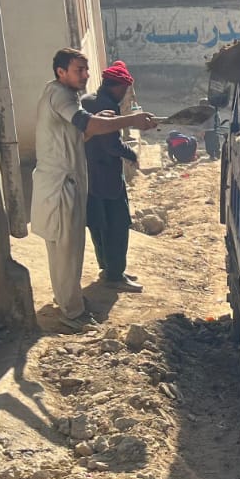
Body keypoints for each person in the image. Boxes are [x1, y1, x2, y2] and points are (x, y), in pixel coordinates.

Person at [31, 49, 157, 330]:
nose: (86, 75)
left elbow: (81, 133)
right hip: (60, 186)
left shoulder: (67, 95)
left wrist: (105, 121)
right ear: (61, 72)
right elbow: (86, 124)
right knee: (66, 253)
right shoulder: (60, 96)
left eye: (86, 69)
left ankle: (70, 301)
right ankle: (71, 313)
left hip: (68, 184)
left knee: (69, 251)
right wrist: (130, 120)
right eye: (79, 70)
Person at [84, 60, 146, 293]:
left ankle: (108, 268)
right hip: (107, 177)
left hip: (88, 175)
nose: (125, 94)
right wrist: (131, 154)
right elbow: (111, 144)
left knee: (98, 224)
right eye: (125, 90)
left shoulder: (87, 100)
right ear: (118, 87)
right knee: (117, 225)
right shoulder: (108, 106)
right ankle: (115, 275)